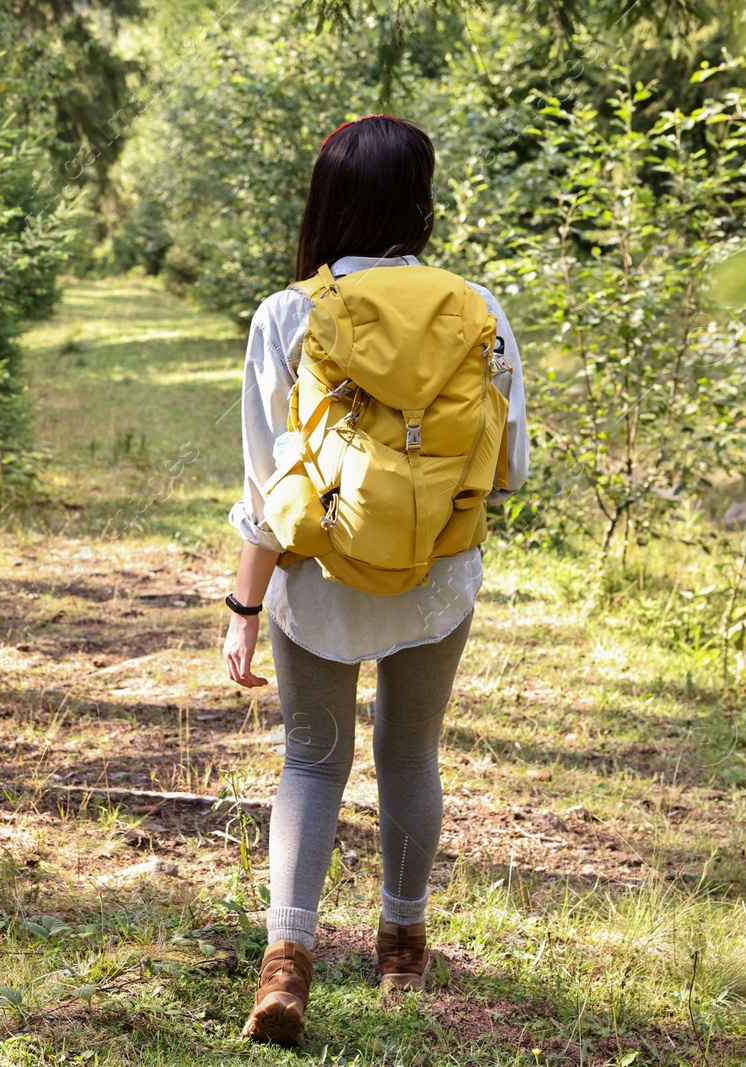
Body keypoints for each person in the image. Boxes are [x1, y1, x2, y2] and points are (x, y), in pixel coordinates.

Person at [223, 114, 529, 1046]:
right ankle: (401, 946)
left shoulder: (289, 313)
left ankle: (288, 962)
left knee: (313, 760)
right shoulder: (479, 308)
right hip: (437, 573)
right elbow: (511, 466)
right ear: (420, 201)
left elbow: (265, 487)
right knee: (409, 754)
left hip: (317, 575)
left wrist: (242, 604)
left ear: (328, 200)